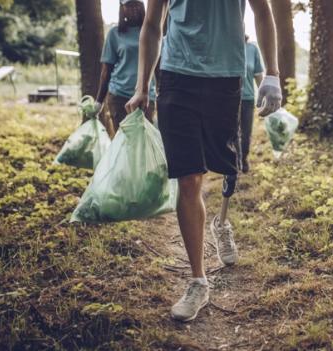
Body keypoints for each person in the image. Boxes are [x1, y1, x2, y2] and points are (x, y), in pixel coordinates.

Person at [125, 0, 281, 322]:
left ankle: (221, 223)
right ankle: (198, 280)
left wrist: (273, 73)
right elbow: (152, 25)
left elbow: (263, 13)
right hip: (176, 77)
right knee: (189, 177)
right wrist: (142, 87)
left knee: (227, 168)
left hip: (225, 78)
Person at [95, 0, 156, 138]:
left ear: (142, 6)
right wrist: (99, 102)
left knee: (146, 141)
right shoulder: (114, 34)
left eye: (136, 4)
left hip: (145, 97)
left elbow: (158, 66)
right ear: (122, 8)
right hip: (120, 97)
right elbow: (106, 71)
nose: (133, 8)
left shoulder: (151, 32)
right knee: (125, 142)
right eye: (129, 5)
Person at [238, 35, 265, 173]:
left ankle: (243, 159)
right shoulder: (225, 46)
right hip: (229, 98)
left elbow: (258, 74)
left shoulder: (252, 49)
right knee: (230, 132)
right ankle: (232, 161)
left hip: (248, 98)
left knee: (246, 132)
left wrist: (264, 96)